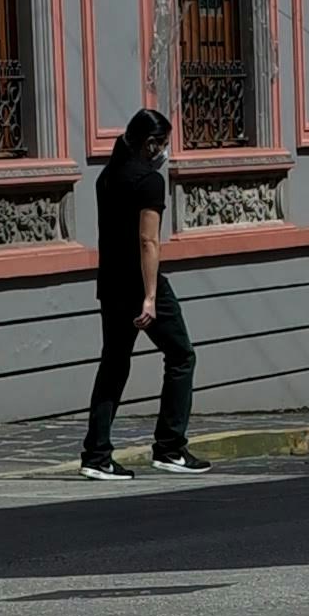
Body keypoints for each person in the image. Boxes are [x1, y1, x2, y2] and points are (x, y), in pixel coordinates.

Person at [79, 106, 206, 481]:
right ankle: (170, 447)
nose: (164, 151)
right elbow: (148, 241)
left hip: (110, 284)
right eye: (162, 144)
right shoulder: (149, 182)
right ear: (150, 144)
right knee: (181, 356)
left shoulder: (107, 177)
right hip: (140, 284)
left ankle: (96, 455)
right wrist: (150, 296)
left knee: (114, 365)